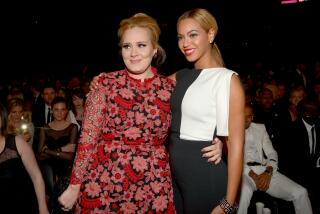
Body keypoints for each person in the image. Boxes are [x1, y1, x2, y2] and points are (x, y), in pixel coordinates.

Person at [88, 8, 244, 214]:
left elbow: (236, 146)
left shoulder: (228, 79)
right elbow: (142, 83)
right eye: (180, 37)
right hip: (171, 179)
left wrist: (228, 203)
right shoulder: (178, 77)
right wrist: (103, 80)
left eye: (193, 35)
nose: (185, 43)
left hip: (203, 174)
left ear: (211, 34)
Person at [59, 13, 182, 213]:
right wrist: (74, 185)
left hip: (153, 184)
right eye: (127, 46)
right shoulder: (105, 84)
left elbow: (186, 129)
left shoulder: (170, 89)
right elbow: (88, 138)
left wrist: (219, 140)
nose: (133, 53)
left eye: (141, 45)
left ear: (154, 49)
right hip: (105, 181)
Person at [237, 104, 312, 214]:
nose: (246, 120)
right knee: (244, 192)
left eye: (249, 116)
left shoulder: (260, 128)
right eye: (243, 116)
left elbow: (271, 152)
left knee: (301, 192)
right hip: (243, 172)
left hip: (264, 169)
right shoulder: (228, 131)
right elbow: (230, 159)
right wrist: (253, 175)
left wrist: (268, 171)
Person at [0, 102, 49, 214]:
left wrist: (42, 207)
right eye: (14, 112)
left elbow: (36, 176)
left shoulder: (16, 142)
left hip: (21, 203)